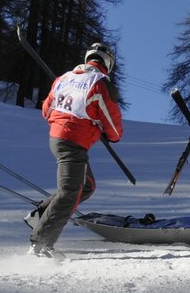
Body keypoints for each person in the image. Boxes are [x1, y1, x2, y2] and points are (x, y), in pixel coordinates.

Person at [29, 42, 121, 257]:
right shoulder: (100, 83)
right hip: (73, 143)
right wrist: (109, 134)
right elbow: (113, 124)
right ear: (108, 64)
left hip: (58, 138)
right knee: (70, 192)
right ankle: (41, 244)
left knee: (86, 186)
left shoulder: (64, 78)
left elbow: (46, 110)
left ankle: (41, 214)